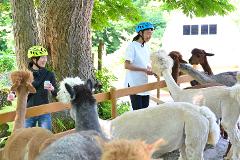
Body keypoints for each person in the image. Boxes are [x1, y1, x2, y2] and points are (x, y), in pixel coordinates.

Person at [8, 45, 57, 131]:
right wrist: (12, 94)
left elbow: (56, 94)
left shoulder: (49, 74)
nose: (45, 59)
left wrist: (52, 89)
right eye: (42, 57)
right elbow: (17, 88)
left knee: (46, 136)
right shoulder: (24, 75)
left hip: (44, 111)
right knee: (25, 137)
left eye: (46, 57)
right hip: (28, 111)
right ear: (34, 59)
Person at [124, 22, 155, 110]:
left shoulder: (146, 46)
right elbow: (127, 65)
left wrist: (151, 70)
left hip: (144, 82)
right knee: (138, 110)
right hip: (134, 82)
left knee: (145, 107)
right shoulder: (132, 46)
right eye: (148, 33)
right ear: (140, 33)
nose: (150, 36)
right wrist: (144, 70)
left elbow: (146, 63)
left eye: (151, 34)